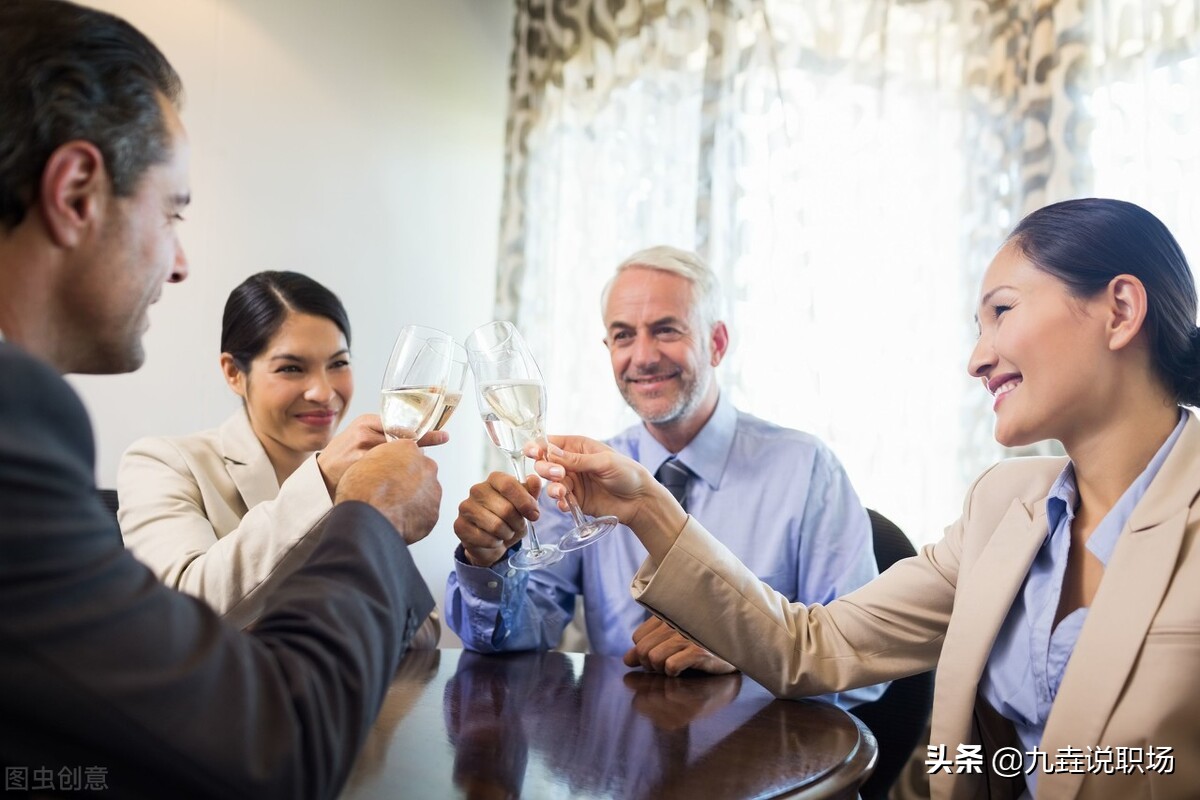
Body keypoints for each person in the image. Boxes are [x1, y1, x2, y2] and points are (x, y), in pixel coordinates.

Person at [533, 199, 1200, 798]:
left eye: (1002, 311)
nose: (976, 359)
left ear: (1120, 310)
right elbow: (810, 646)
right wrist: (647, 506)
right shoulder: (1001, 505)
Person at [0, 2, 441, 797]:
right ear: (75, 193)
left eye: (338, 364)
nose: (179, 263)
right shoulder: (23, 420)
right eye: (171, 212)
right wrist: (367, 514)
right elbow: (270, 742)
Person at [446, 246, 881, 700]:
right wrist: (488, 561)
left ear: (717, 343)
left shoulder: (807, 470)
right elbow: (515, 635)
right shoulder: (582, 477)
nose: (643, 357)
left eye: (666, 330)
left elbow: (860, 659)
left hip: (766, 740)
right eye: (623, 335)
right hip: (618, 739)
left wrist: (749, 652)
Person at [118, 270, 440, 642]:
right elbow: (179, 614)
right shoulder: (162, 462)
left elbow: (423, 634)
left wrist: (381, 520)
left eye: (338, 363)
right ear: (234, 373)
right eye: (291, 368)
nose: (323, 392)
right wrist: (323, 480)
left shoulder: (361, 478)